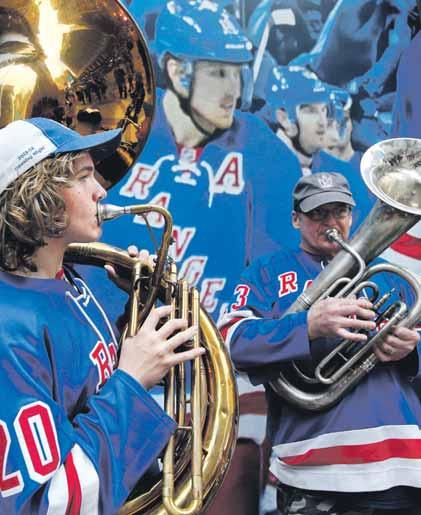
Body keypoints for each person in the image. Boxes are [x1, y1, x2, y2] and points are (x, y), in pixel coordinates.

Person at [0, 117, 204, 514]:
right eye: (84, 176)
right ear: (38, 194)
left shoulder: (70, 280)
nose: (101, 190)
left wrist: (138, 311)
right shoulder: (9, 330)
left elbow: (83, 391)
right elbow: (52, 503)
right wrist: (132, 380)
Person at [220, 172, 421, 514]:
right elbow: (231, 342)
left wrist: (410, 352)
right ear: (296, 219)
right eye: (318, 214)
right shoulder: (266, 272)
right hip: (312, 473)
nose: (331, 223)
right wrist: (307, 325)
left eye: (340, 212)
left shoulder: (389, 274)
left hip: (400, 465)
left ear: (353, 216)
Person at [258, 65, 373, 227]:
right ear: (284, 118)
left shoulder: (343, 173)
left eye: (324, 110)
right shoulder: (256, 168)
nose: (322, 122)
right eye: (310, 110)